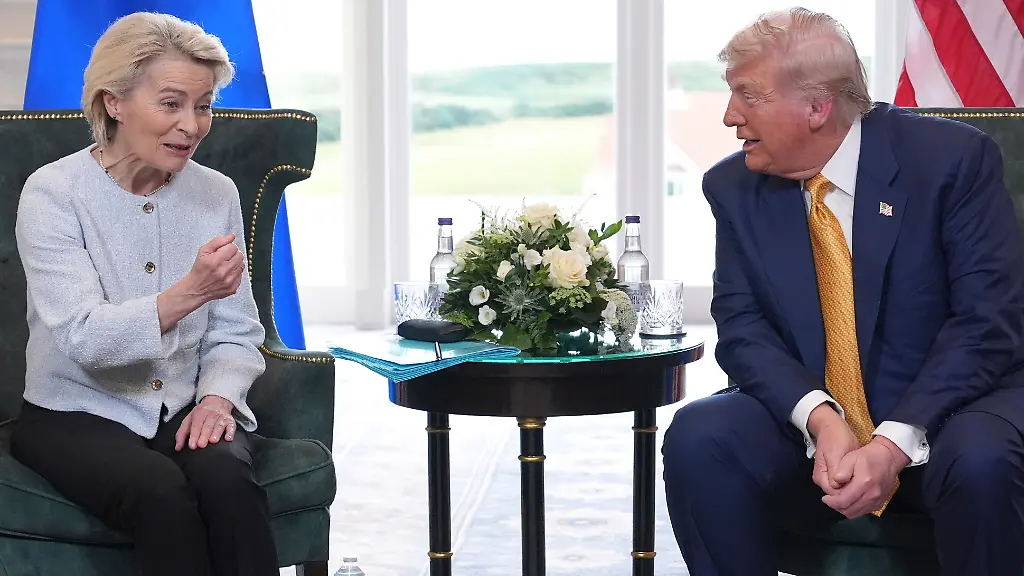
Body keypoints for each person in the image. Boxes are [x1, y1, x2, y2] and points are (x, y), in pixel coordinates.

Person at [662, 7, 1024, 576]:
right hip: (816, 421)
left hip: (946, 411)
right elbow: (742, 328)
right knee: (699, 436)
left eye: (747, 96)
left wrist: (890, 444)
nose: (730, 117)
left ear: (816, 107)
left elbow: (987, 323)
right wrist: (821, 419)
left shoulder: (951, 162)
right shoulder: (732, 187)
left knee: (982, 460)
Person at [10, 12, 278, 576]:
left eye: (203, 105)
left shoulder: (216, 193)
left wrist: (217, 398)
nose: (192, 125)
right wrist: (188, 292)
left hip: (181, 401)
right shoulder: (53, 193)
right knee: (161, 495)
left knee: (229, 485)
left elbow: (236, 332)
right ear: (114, 102)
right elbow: (84, 336)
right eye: (171, 103)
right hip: (72, 411)